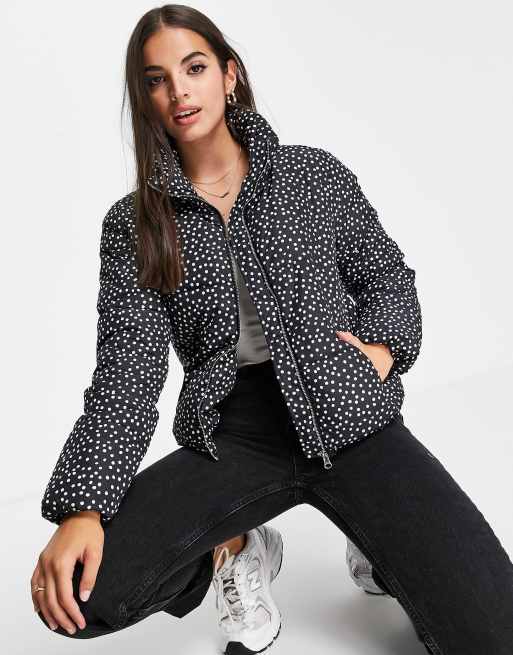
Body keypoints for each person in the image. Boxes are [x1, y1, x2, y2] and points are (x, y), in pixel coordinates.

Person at [32, 5, 513, 654]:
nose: (178, 92)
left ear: (228, 75)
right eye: (156, 80)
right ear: (144, 99)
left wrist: (379, 351)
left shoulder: (309, 175)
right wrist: (82, 507)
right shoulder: (136, 225)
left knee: (496, 631)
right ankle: (237, 546)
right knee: (78, 592)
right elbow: (126, 375)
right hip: (234, 434)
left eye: (194, 68)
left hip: (347, 415)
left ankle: (378, 545)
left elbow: (387, 278)